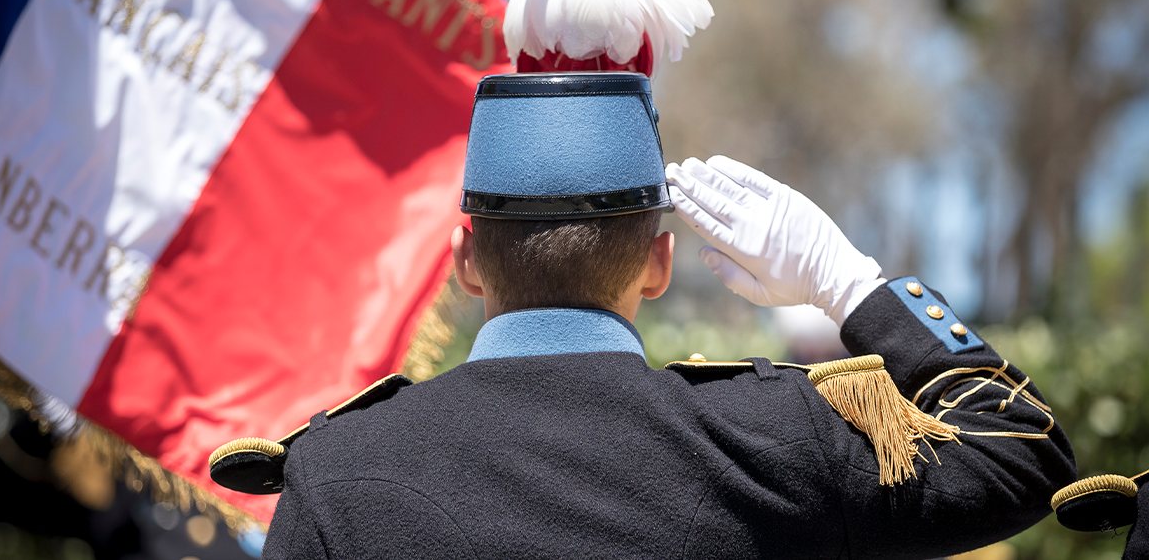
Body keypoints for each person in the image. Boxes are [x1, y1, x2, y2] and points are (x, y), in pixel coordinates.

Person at [247, 69, 1076, 559]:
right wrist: (847, 281)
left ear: (466, 259)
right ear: (659, 263)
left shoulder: (337, 476)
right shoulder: (773, 440)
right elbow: (1024, 458)